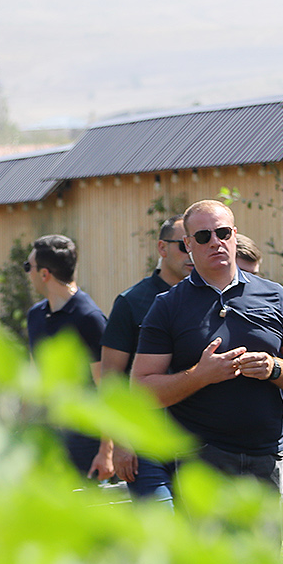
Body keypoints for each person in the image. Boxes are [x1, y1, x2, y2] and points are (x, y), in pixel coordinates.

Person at [132, 200, 283, 489]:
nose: (215, 242)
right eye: (203, 236)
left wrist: (274, 368)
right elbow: (141, 391)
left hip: (266, 457)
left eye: (222, 233)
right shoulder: (167, 305)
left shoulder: (275, 296)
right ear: (188, 244)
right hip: (200, 461)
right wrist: (200, 375)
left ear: (234, 234)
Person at [101, 214, 194, 500]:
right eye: (183, 245)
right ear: (162, 248)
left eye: (196, 244)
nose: (191, 253)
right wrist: (120, 442)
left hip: (197, 443)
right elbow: (111, 380)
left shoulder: (206, 298)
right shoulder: (132, 302)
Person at [23, 233, 114, 479]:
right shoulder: (35, 316)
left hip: (86, 442)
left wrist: (106, 451)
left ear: (44, 274)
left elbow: (108, 390)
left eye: (28, 267)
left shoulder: (89, 318)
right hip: (47, 439)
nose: (27, 274)